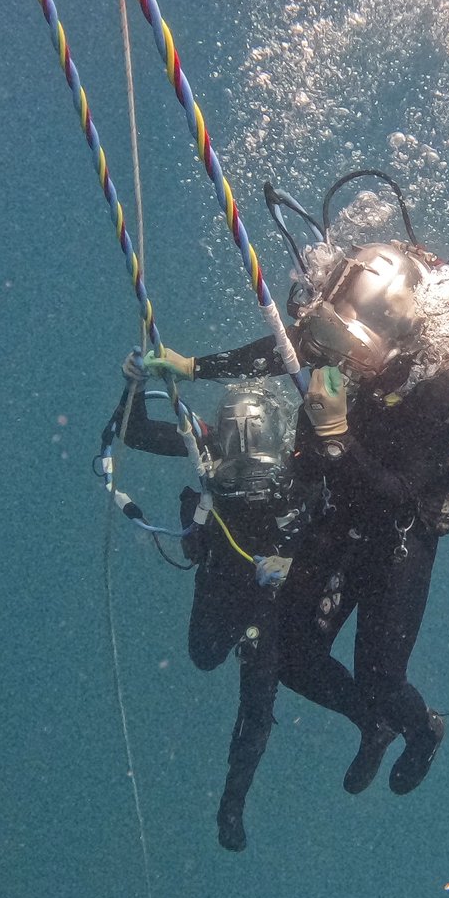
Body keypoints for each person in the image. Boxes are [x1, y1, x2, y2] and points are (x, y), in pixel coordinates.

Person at [143, 231, 449, 799]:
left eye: (358, 348)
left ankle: (420, 729)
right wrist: (195, 367)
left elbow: (399, 491)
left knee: (381, 674)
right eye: (334, 337)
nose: (343, 359)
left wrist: (336, 438)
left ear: (401, 341)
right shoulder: (336, 334)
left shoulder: (443, 389)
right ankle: (370, 725)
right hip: (342, 511)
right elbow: (285, 350)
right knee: (293, 654)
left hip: (397, 530)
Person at [117, 356, 308, 852]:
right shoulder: (207, 442)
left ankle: (232, 805)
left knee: (259, 698)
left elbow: (327, 514)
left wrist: (296, 562)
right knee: (203, 655)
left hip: (269, 588)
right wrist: (133, 386)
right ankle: (232, 802)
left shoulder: (300, 458)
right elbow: (134, 433)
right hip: (224, 575)